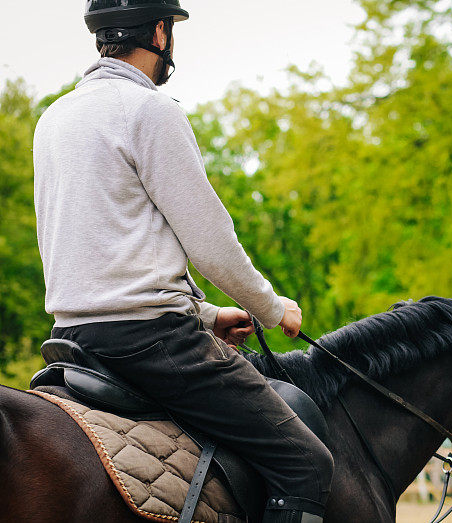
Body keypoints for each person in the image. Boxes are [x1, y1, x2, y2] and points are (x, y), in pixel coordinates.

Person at [32, 2, 333, 522]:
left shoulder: (53, 119)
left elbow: (98, 253)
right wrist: (271, 308)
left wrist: (208, 316)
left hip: (72, 340)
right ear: (159, 31)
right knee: (306, 463)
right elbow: (210, 241)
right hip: (153, 343)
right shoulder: (151, 110)